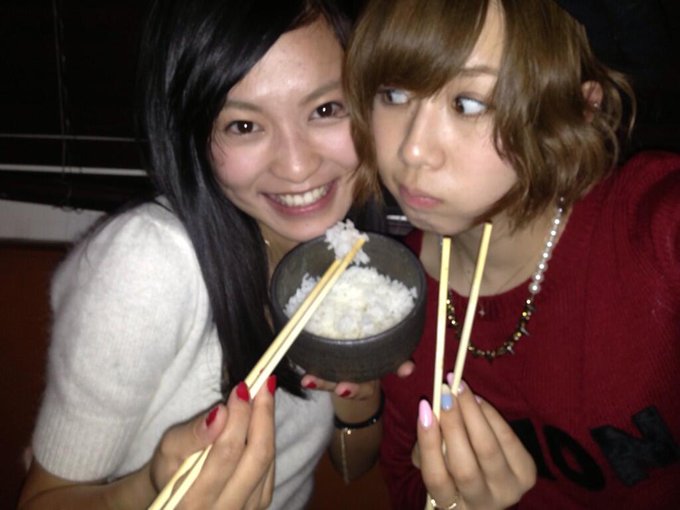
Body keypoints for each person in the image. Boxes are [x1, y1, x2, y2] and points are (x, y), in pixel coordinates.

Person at [18, 0, 385, 508]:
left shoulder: (345, 259)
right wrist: (151, 487)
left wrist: (361, 398)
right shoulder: (148, 262)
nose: (298, 166)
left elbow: (351, 466)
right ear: (191, 135)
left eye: (325, 110)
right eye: (244, 126)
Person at [345, 0, 680, 508]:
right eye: (393, 94)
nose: (413, 150)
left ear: (581, 108)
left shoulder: (652, 231)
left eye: (468, 104)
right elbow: (408, 485)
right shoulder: (390, 297)